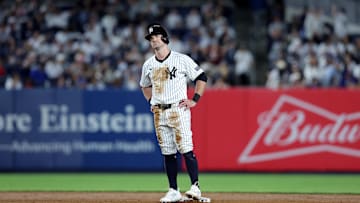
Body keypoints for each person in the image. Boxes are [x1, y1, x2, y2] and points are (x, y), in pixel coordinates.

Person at [139, 23, 207, 203]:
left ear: (164, 38)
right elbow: (144, 85)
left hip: (179, 109)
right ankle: (173, 190)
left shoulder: (181, 59)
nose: (153, 40)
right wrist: (150, 101)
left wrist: (195, 99)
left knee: (186, 148)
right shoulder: (148, 64)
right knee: (167, 152)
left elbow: (201, 77)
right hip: (159, 112)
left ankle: (195, 187)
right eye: (151, 38)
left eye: (156, 36)